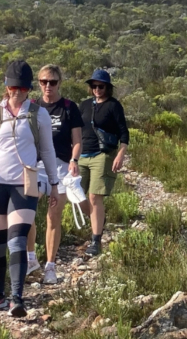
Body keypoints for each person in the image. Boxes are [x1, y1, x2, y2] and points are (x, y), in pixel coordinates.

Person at [0, 60, 59, 317]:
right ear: (6, 86)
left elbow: (48, 150)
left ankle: (17, 298)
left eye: (22, 88)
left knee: (17, 239)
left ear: (29, 89)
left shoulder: (39, 115)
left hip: (23, 185)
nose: (17, 92)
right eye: (14, 87)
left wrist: (54, 183)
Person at [25, 65, 84, 284]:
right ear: (38, 83)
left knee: (53, 216)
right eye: (43, 82)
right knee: (26, 212)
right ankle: (31, 259)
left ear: (59, 83)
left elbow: (77, 140)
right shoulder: (32, 107)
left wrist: (74, 160)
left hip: (60, 168)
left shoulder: (69, 107)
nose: (48, 86)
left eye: (52, 82)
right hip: (36, 166)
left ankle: (50, 266)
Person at [78, 69, 129, 256]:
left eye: (101, 86)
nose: (97, 89)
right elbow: (75, 129)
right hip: (82, 155)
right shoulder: (84, 105)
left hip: (102, 154)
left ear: (107, 87)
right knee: (75, 194)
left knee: (94, 197)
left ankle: (95, 240)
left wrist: (120, 154)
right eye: (94, 86)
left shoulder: (114, 106)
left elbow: (123, 132)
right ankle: (98, 217)